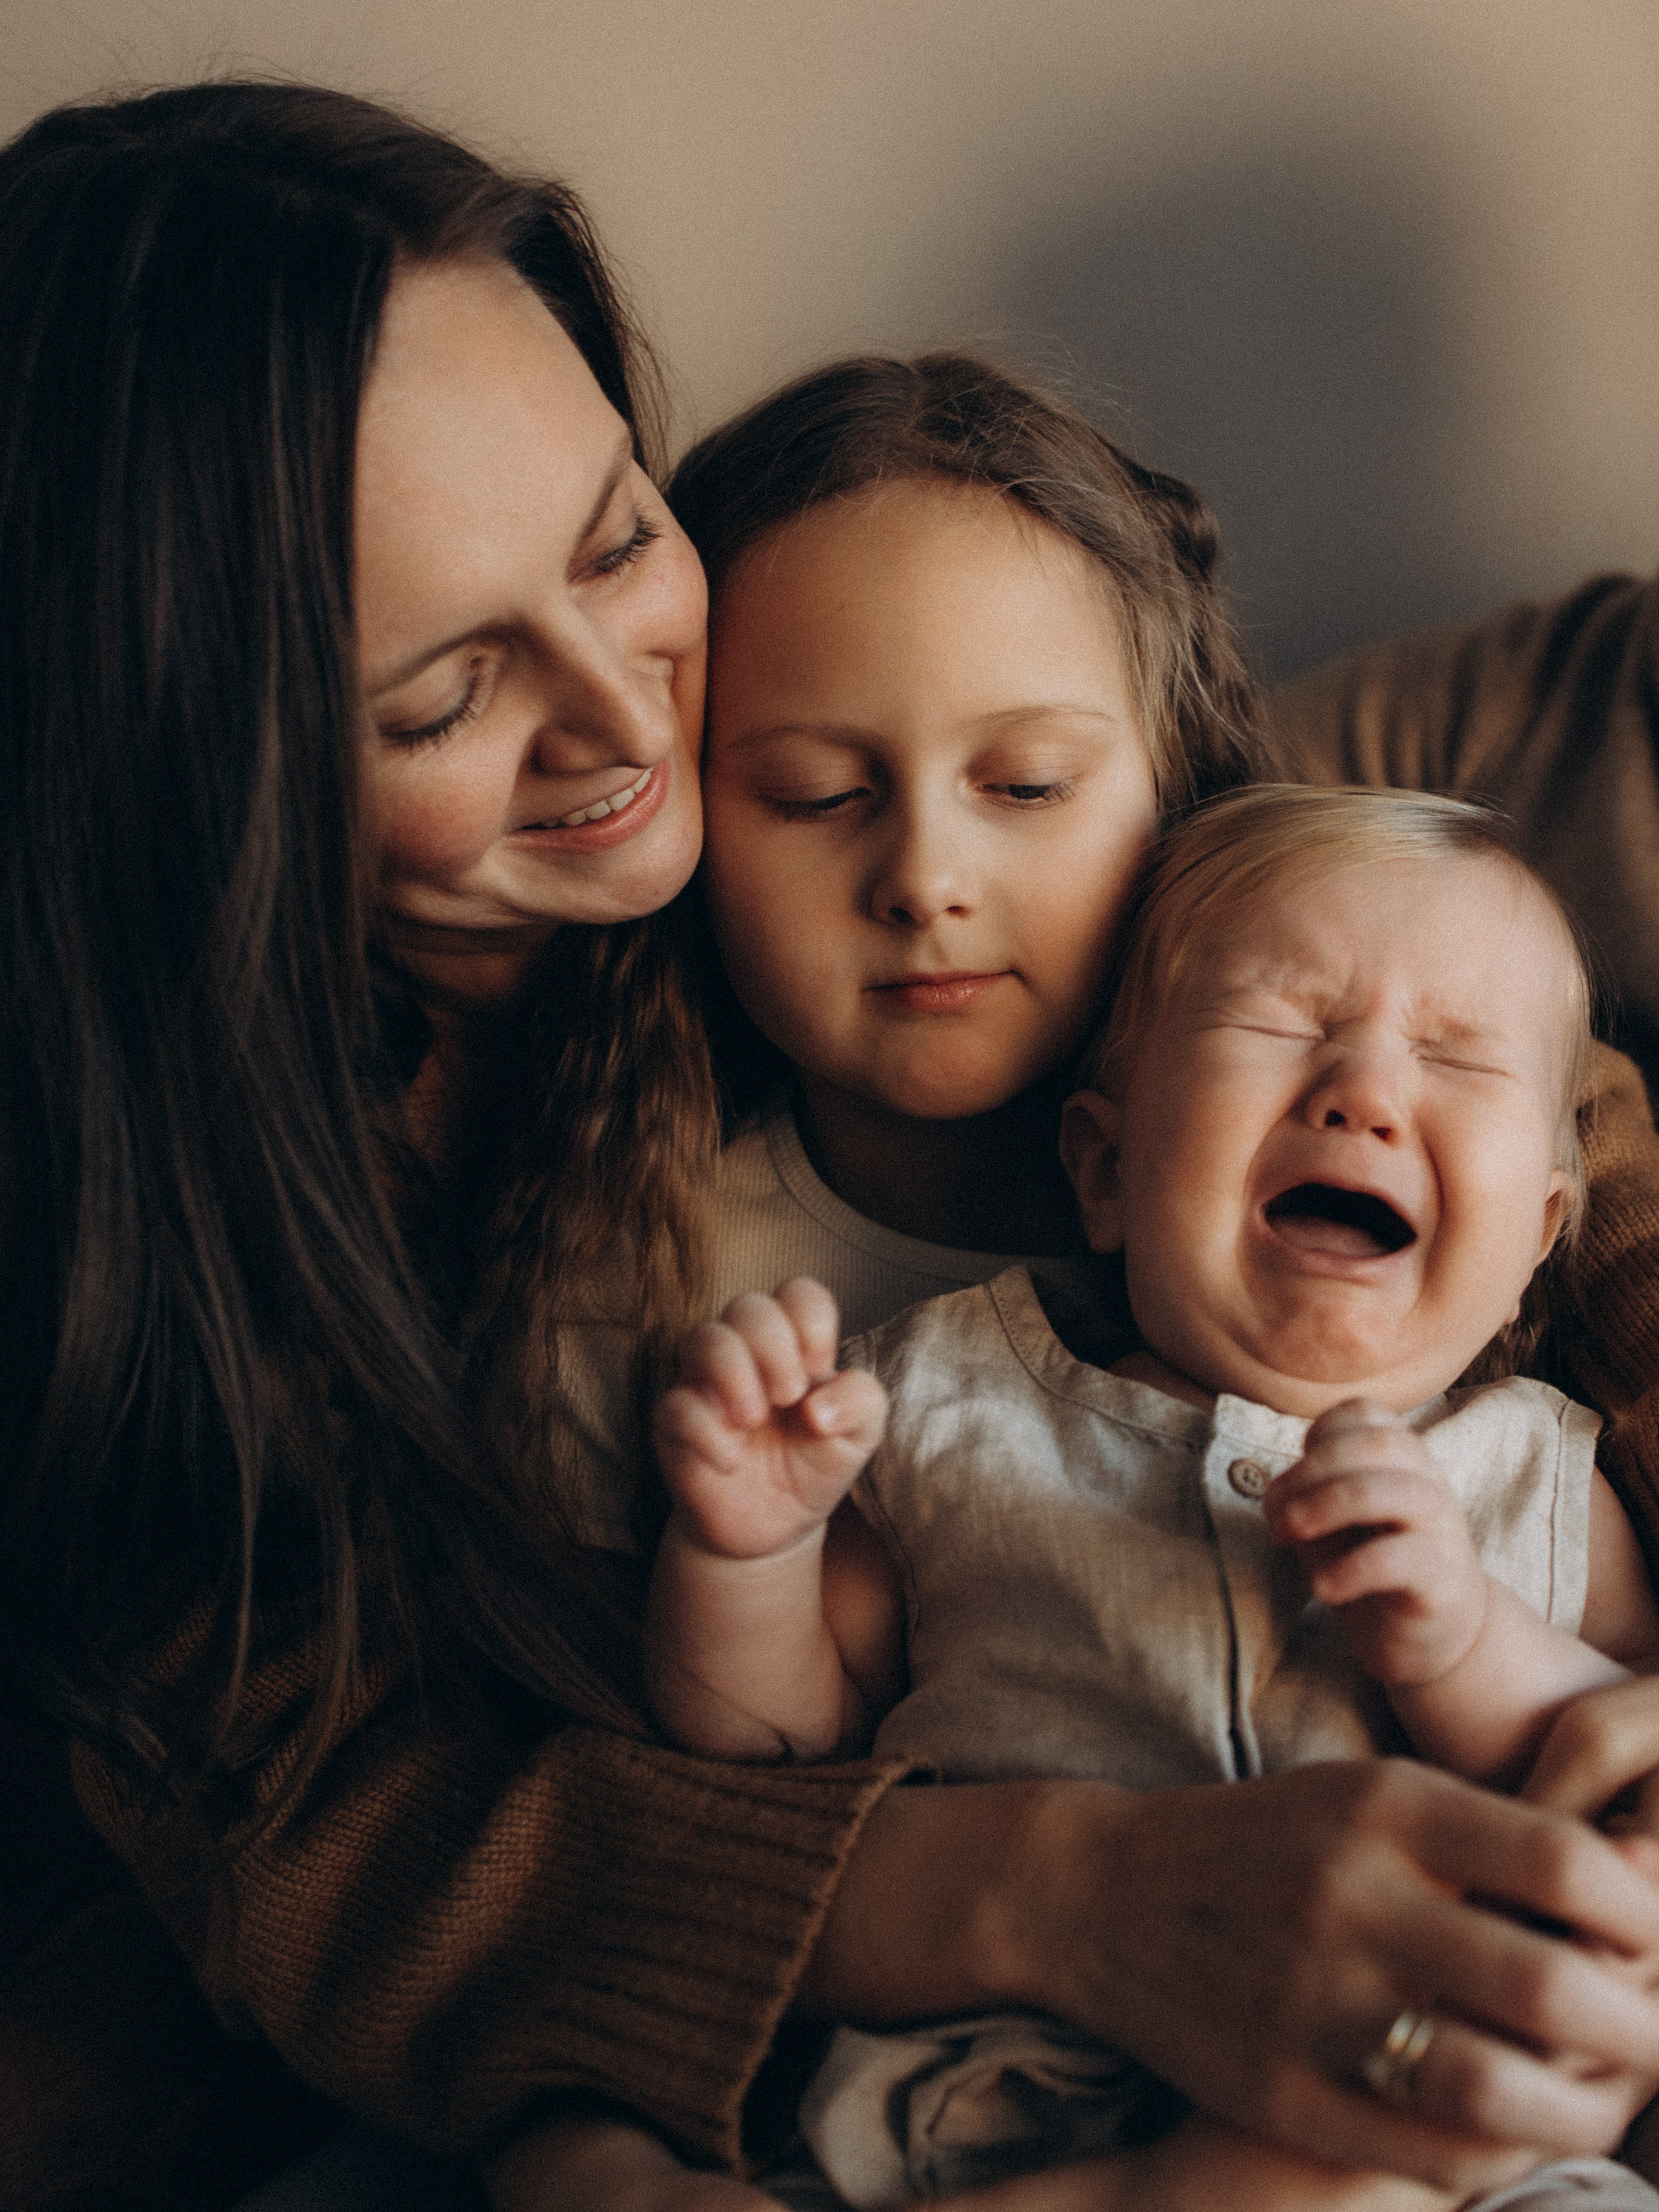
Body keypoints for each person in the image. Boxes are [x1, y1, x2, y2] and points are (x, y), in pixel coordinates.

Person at [5, 87, 1659, 2212]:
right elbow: (342, 1854)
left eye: (615, 538)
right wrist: (1055, 1885)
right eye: (442, 698)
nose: (633, 726)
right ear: (192, 778)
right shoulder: (156, 1250)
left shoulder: (1074, 860)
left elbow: (1516, 1086)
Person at [644, 786, 1659, 2212]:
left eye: (1452, 1056)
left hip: (1437, 2115)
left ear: (1542, 1236)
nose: (1361, 1090)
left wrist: (1464, 1641)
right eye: (1281, 1025)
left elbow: (1609, 1776)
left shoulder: (1542, 1472)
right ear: (1106, 1168)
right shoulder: (948, 1409)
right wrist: (744, 1543)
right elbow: (770, 1750)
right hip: (998, 2107)